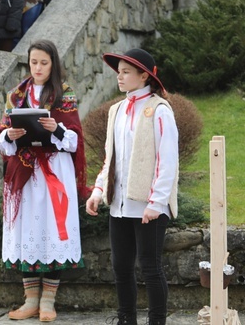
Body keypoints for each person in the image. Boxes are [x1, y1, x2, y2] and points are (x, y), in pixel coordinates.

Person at [0, 39, 89, 322]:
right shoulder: (16, 95)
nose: (37, 68)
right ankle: (30, 300)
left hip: (54, 171)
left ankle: (48, 301)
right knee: (27, 232)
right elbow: (1, 137)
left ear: (53, 64)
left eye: (44, 63)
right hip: (25, 173)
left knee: (51, 229)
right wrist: (8, 136)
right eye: (33, 62)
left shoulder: (64, 95)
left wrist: (55, 128)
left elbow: (74, 139)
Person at [86, 48, 179, 325]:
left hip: (148, 206)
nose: (120, 76)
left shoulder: (160, 110)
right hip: (119, 205)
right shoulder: (116, 110)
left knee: (150, 268)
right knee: (121, 268)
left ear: (144, 76)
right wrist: (98, 190)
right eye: (120, 71)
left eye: (127, 72)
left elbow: (168, 161)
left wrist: (156, 202)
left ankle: (157, 322)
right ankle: (126, 319)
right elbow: (110, 158)